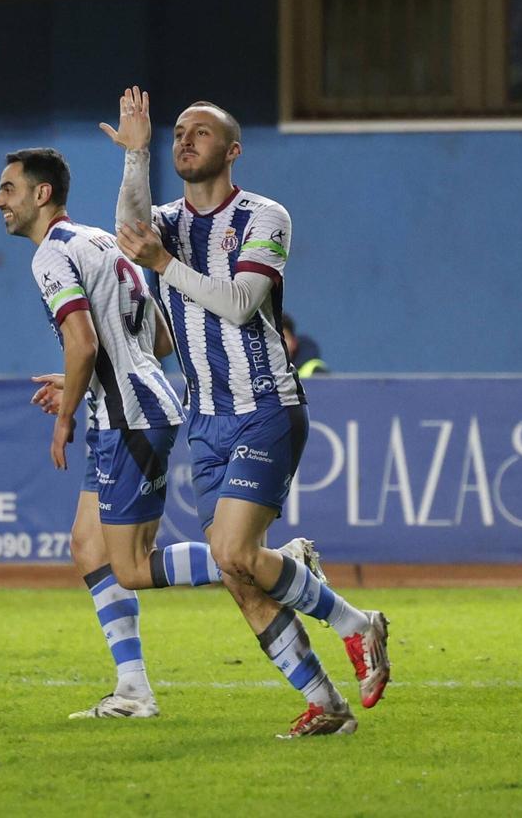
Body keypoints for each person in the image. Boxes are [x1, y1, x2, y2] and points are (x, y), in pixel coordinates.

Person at [102, 87, 391, 738]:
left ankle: (355, 622)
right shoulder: (169, 221)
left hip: (265, 406)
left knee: (233, 549)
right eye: (178, 131)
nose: (185, 139)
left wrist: (162, 264)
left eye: (198, 132)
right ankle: (328, 706)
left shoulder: (265, 216)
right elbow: (133, 232)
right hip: (204, 418)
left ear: (232, 151)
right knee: (238, 572)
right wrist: (135, 155)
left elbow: (238, 303)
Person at [0, 147, 318, 721]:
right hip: (130, 404)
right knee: (87, 547)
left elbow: (84, 343)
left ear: (41, 195)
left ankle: (265, 562)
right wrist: (83, 387)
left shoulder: (49, 256)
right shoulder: (96, 240)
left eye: (8, 189)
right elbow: (152, 336)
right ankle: (132, 690)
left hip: (128, 416)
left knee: (132, 567)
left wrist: (66, 414)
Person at [282, 312, 329, 377]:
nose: (278, 344)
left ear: (294, 343)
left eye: (283, 338)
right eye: (272, 339)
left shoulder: (315, 371)